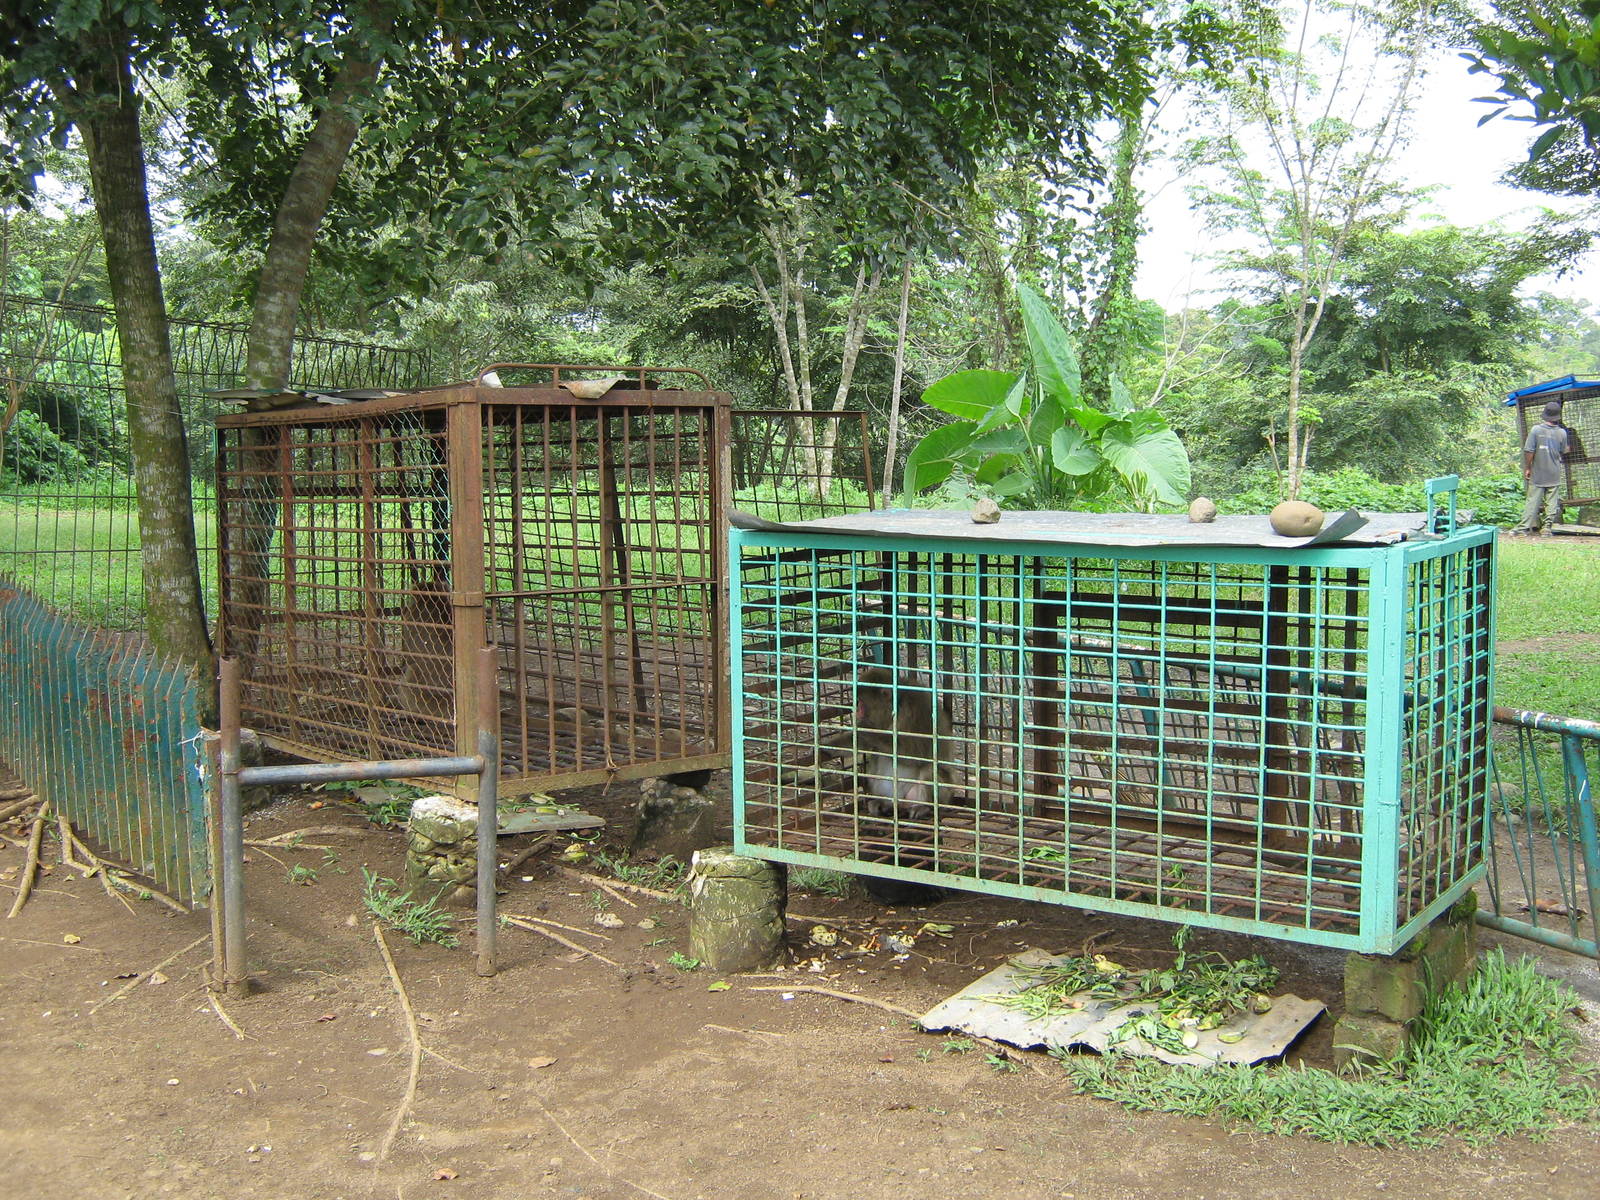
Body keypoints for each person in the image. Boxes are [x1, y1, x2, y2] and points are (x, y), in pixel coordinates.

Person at [1516, 400, 1571, 536]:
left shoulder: (1536, 430)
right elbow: (1565, 451)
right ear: (1558, 416)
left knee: (1533, 500)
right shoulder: (1562, 433)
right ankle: (1547, 528)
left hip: (1538, 471)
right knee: (1552, 501)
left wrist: (1528, 468)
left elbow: (1529, 451)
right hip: (1554, 472)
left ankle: (1523, 528)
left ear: (1545, 414)